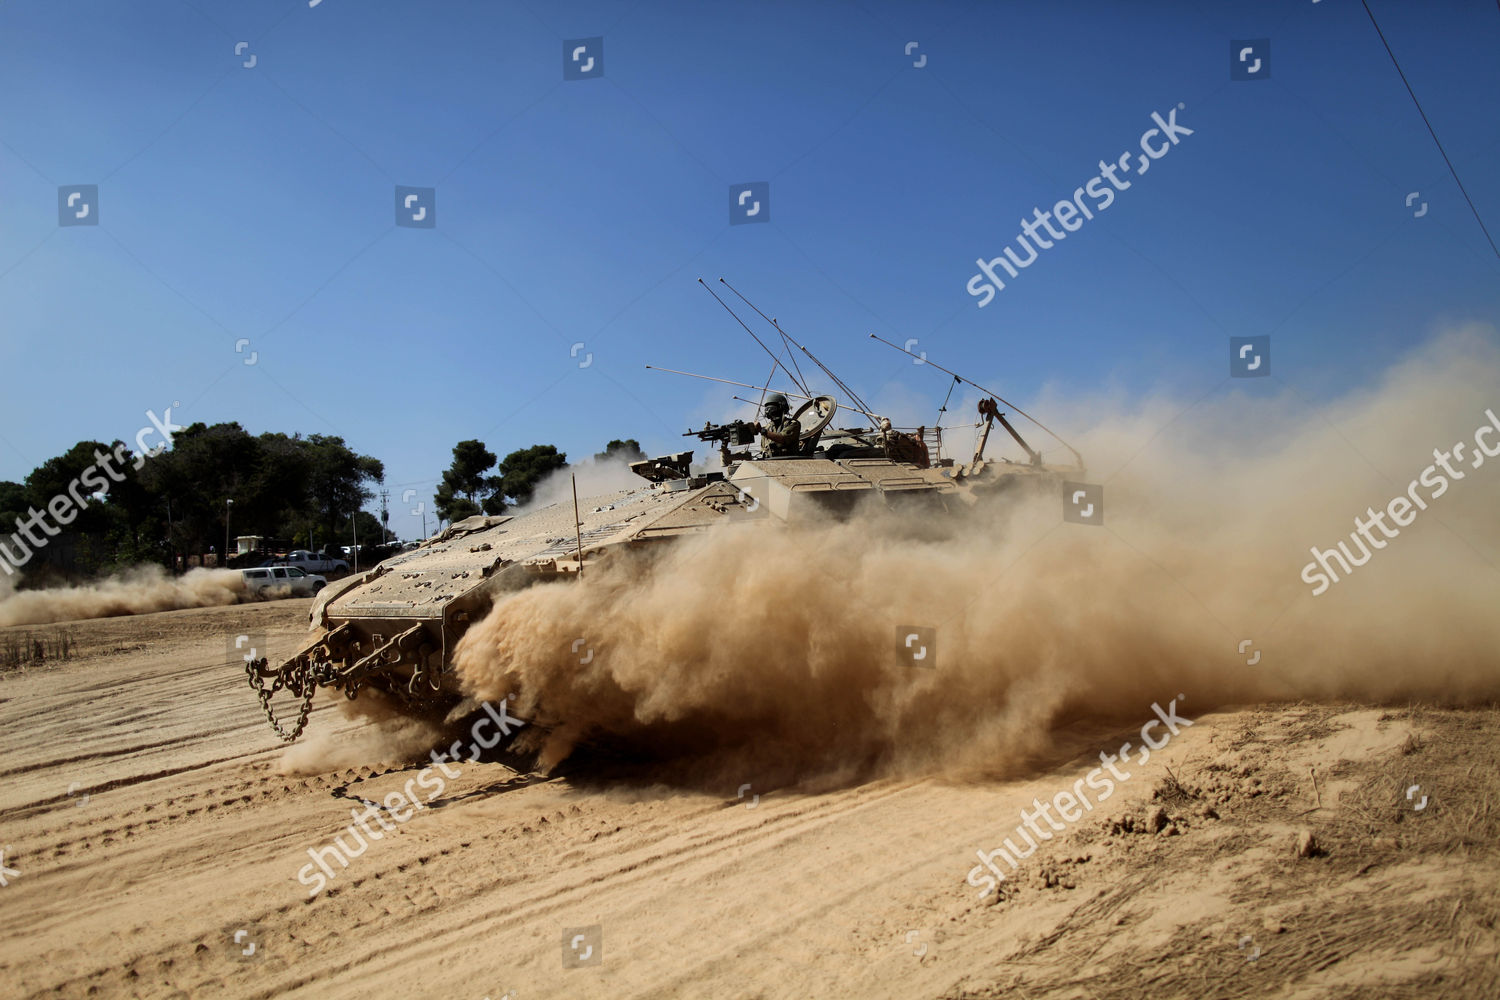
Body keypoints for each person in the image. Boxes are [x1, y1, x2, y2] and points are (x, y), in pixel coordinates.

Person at [754, 393, 805, 457]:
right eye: (767, 407)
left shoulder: (793, 424)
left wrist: (762, 431)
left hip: (789, 461)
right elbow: (763, 449)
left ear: (781, 407)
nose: (768, 410)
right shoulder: (767, 428)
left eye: (772, 406)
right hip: (770, 462)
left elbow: (782, 439)